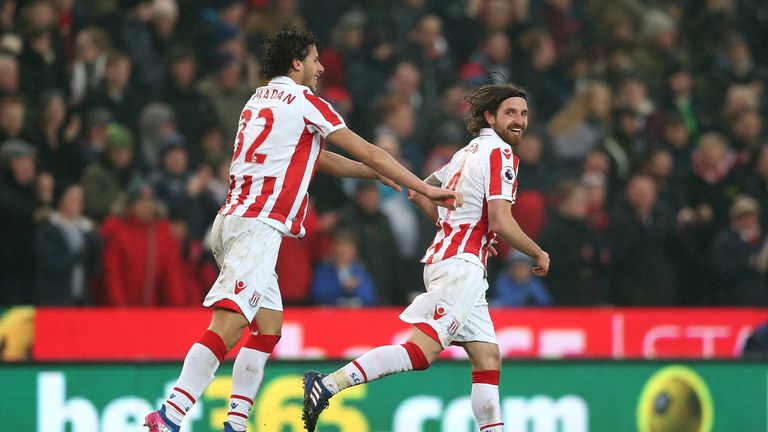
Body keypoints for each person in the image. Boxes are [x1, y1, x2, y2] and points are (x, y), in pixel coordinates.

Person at [143, 28, 461, 432]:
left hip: (233, 221)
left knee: (268, 327)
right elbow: (369, 149)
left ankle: (235, 423)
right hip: (257, 227)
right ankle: (168, 416)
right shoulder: (306, 102)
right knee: (230, 323)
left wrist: (372, 174)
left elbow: (316, 158)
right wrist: (423, 187)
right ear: (297, 62)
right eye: (314, 58)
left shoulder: (256, 100)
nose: (321, 67)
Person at [301, 83, 550, 432]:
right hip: (460, 267)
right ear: (490, 117)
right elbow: (500, 220)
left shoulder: (465, 153)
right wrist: (537, 252)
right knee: (419, 353)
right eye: (510, 113)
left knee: (487, 357)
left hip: (457, 261)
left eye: (523, 113)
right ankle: (328, 384)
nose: (520, 120)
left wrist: (458, 229)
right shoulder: (501, 155)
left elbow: (420, 192)